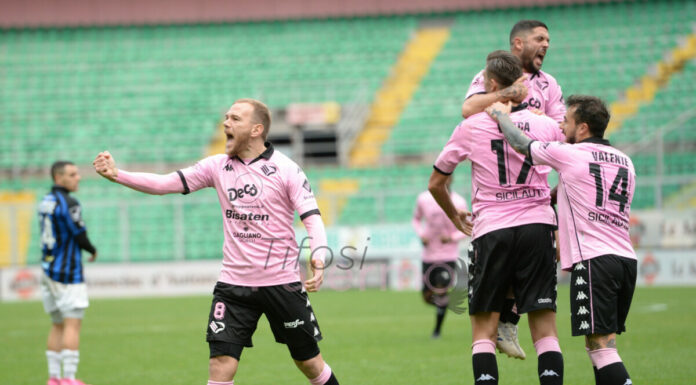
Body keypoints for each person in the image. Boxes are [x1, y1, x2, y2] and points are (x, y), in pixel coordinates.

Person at [93, 98, 340, 385]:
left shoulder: (287, 169)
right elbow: (164, 184)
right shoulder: (216, 166)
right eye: (226, 118)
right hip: (233, 286)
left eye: (235, 119)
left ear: (257, 129)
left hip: (281, 283)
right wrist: (118, 174)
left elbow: (312, 217)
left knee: (308, 362)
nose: (226, 123)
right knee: (220, 365)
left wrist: (318, 258)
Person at [429, 51, 565, 385]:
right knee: (545, 330)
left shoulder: (470, 126)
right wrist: (551, 199)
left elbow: (436, 183)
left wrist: (455, 214)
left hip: (492, 230)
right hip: (537, 226)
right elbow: (576, 170)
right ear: (521, 82)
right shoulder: (546, 124)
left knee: (483, 333)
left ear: (490, 85)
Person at [486, 95, 636, 385]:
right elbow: (587, 193)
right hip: (626, 260)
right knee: (603, 346)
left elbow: (521, 144)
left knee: (601, 349)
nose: (561, 126)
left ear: (582, 128)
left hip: (595, 261)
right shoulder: (625, 161)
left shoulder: (571, 154)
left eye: (566, 121)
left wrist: (500, 116)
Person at [461, 19, 567, 359]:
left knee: (525, 261)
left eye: (548, 39)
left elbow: (561, 130)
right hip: (498, 186)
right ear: (518, 45)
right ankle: (506, 321)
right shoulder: (488, 75)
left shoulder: (549, 85)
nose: (546, 44)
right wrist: (510, 94)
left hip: (534, 187)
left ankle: (509, 318)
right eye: (540, 38)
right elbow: (468, 109)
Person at [39, 161, 98, 385]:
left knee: (57, 324)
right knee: (72, 324)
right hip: (67, 272)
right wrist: (92, 250)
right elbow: (79, 234)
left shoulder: (45, 201)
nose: (78, 178)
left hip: (48, 269)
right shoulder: (69, 202)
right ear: (58, 177)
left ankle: (53, 378)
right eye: (72, 174)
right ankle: (70, 378)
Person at [412, 175, 468, 339]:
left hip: (448, 256)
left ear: (451, 179)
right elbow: (416, 219)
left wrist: (451, 238)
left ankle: (436, 331)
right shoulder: (423, 199)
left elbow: (465, 228)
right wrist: (421, 234)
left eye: (448, 177)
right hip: (428, 255)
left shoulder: (459, 202)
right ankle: (446, 302)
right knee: (427, 297)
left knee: (441, 290)